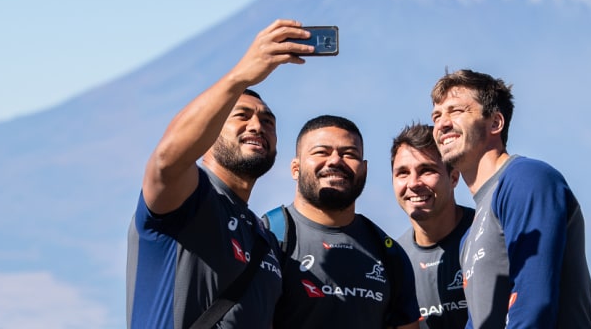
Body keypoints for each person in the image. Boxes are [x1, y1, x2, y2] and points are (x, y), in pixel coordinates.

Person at [126, 19, 319, 329]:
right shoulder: (188, 200)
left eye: (268, 121)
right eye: (241, 116)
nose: (257, 126)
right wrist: (240, 76)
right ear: (208, 136)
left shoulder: (264, 237)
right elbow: (165, 160)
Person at [429, 69, 591, 329]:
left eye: (457, 111)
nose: (442, 123)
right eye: (437, 116)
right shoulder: (469, 236)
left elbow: (533, 303)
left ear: (496, 123)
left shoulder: (526, 179)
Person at [265, 114, 421, 329]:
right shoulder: (267, 235)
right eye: (321, 151)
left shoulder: (389, 253)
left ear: (364, 169)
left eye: (349, 154)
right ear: (295, 168)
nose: (335, 160)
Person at [390, 123, 475, 329]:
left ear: (453, 177)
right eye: (402, 173)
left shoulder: (488, 232)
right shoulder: (392, 260)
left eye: (426, 170)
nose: (413, 183)